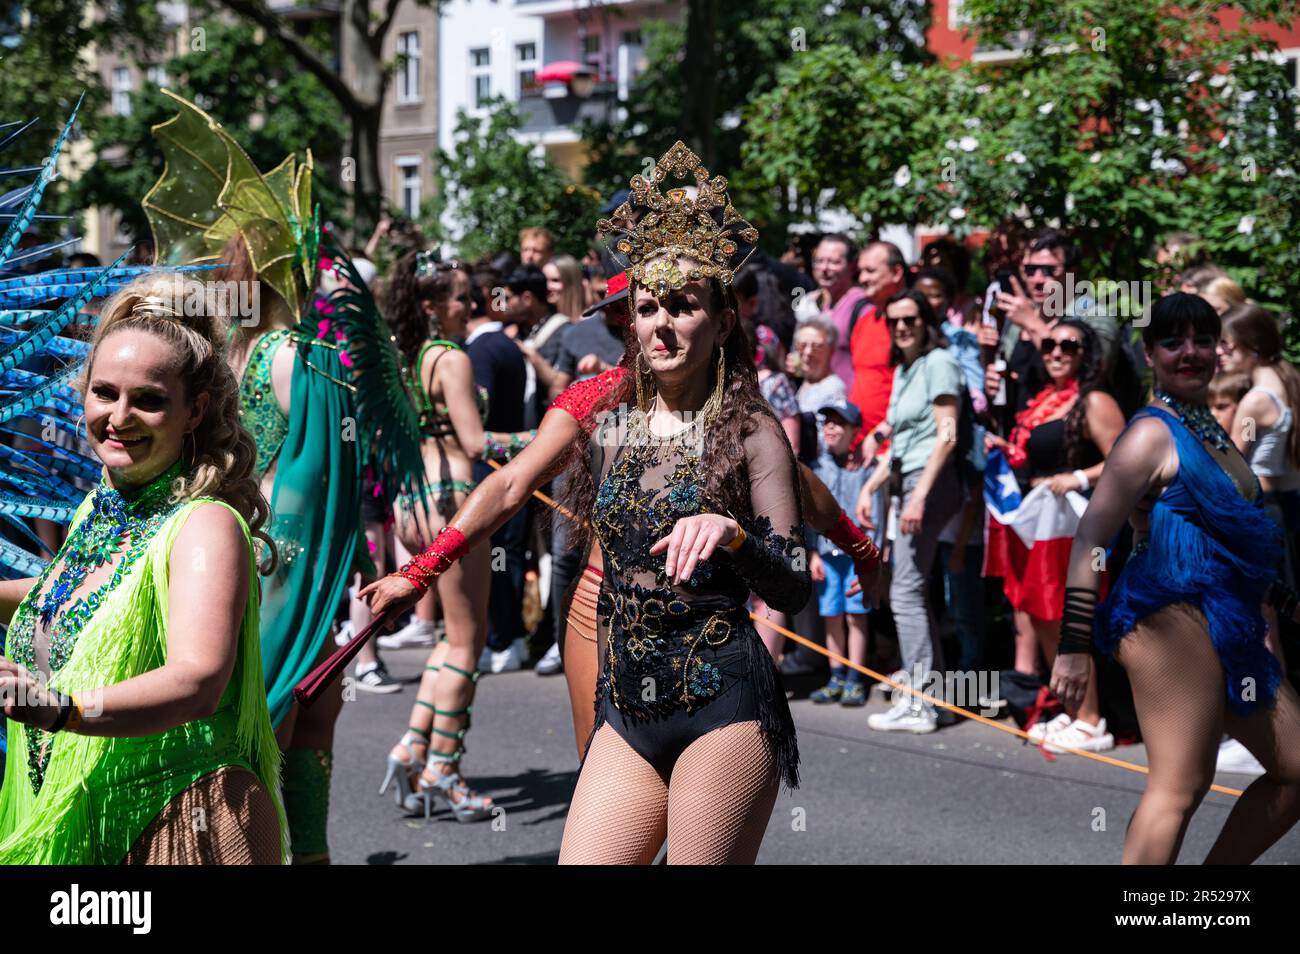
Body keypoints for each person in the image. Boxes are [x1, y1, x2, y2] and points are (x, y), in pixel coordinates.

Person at [362, 145, 880, 864]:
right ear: (627, 321)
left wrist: (823, 543)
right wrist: (416, 572)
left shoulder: (747, 426)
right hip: (614, 660)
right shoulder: (602, 412)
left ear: (723, 321)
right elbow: (510, 485)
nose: (660, 324)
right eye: (645, 307)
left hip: (719, 684)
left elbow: (797, 530)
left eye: (682, 305)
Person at [0, 276, 285, 863]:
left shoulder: (205, 525)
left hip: (178, 822)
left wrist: (60, 709)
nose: (118, 417)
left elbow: (197, 680)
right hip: (83, 816)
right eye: (104, 392)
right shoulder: (104, 505)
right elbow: (83, 597)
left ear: (194, 411)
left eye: (148, 400)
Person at [1052, 293, 1300, 864]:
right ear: (1149, 354)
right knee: (1181, 786)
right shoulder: (1150, 435)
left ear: (1219, 351)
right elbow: (1092, 538)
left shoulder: (1211, 430)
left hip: (1227, 618)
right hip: (1166, 617)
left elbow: (1224, 546)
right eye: (1172, 342)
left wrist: (1282, 600)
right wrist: (1073, 645)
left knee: (1293, 767)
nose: (1189, 353)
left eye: (1202, 340)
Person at [379, 250, 533, 820]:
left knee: (447, 637)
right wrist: (551, 437)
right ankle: (446, 767)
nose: (472, 304)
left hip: (414, 499)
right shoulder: (453, 360)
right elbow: (476, 444)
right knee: (468, 642)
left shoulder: (409, 358)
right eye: (461, 296)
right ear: (430, 305)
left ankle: (412, 744)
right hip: (455, 500)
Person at [984, 318, 1126, 753]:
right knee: (1040, 614)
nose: (1057, 351)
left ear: (1087, 354)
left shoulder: (1094, 400)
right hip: (1040, 524)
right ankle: (1069, 708)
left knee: (1067, 617)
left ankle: (1091, 719)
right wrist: (1008, 452)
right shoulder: (1043, 400)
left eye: (1069, 344)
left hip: (1074, 525)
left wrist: (1078, 477)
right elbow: (1037, 455)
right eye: (1049, 344)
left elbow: (1126, 457)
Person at [857, 290, 964, 733]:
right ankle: (929, 699)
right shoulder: (906, 368)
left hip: (930, 483)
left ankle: (919, 701)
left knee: (904, 592)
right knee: (910, 591)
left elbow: (948, 433)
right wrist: (870, 486)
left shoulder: (939, 362)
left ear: (926, 321)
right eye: (895, 320)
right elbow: (900, 442)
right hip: (909, 478)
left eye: (911, 319)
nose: (902, 327)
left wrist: (919, 494)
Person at [807, 401, 872, 706]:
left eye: (839, 423)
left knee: (856, 615)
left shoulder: (865, 468)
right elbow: (808, 514)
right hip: (827, 555)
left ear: (855, 431)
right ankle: (836, 675)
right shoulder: (816, 468)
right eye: (827, 422)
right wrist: (812, 553)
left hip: (856, 555)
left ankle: (855, 678)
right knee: (832, 615)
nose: (831, 428)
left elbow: (877, 515)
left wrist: (872, 556)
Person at [794, 234, 865, 386]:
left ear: (852, 266)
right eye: (819, 261)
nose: (824, 268)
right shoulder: (813, 303)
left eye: (834, 262)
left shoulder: (862, 306)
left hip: (848, 402)